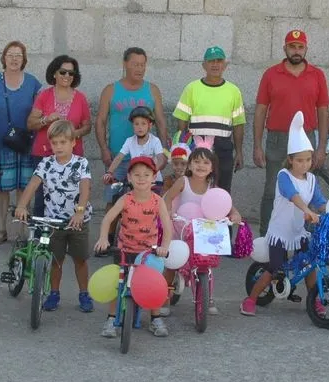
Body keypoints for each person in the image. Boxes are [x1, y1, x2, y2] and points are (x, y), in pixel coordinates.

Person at [241, 111, 326, 317]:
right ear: (290, 160)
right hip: (280, 231)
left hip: (298, 230)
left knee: (309, 264)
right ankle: (250, 299)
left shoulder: (312, 180)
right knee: (275, 267)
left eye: (308, 160)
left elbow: (320, 202)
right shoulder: (283, 176)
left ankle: (316, 301)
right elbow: (293, 196)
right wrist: (306, 210)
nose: (304, 164)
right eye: (299, 160)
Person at [254, 30, 329, 236]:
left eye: (300, 47)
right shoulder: (271, 74)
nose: (296, 51)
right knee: (272, 190)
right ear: (284, 48)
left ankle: (303, 237)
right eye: (292, 46)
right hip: (277, 139)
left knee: (305, 192)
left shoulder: (317, 75)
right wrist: (257, 145)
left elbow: (323, 112)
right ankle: (266, 237)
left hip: (306, 139)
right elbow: (261, 110)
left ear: (306, 49)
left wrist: (321, 147)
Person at [15, 120, 94, 313]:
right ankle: (54, 293)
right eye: (54, 143)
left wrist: (80, 211)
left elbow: (85, 188)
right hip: (52, 221)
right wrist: (22, 205)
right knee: (56, 260)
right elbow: (33, 184)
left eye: (62, 142)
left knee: (80, 260)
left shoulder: (81, 163)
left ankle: (84, 293)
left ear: (73, 142)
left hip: (77, 221)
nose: (58, 147)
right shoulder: (46, 163)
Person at [163, 138, 243, 316]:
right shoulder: (183, 181)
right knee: (172, 263)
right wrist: (168, 211)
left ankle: (208, 295)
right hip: (182, 227)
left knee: (205, 265)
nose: (201, 165)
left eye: (206, 162)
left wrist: (235, 214)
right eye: (196, 161)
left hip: (203, 232)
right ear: (189, 165)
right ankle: (163, 298)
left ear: (212, 167)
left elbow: (225, 203)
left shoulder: (212, 186)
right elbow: (168, 197)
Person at [94, 156, 173, 338]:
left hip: (148, 252)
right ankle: (111, 319)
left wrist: (164, 246)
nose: (141, 178)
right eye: (136, 175)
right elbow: (108, 219)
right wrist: (104, 238)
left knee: (153, 283)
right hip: (124, 249)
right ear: (129, 177)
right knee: (117, 282)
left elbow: (167, 226)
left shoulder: (157, 201)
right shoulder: (125, 199)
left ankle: (155, 318)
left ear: (154, 178)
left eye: (146, 174)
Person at [0, 41, 43, 245]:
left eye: (19, 55)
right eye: (10, 55)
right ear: (4, 58)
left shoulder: (33, 83)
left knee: (23, 187)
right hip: (0, 143)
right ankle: (1, 228)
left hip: (25, 143)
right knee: (1, 188)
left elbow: (37, 113)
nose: (14, 59)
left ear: (24, 59)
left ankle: (21, 231)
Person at [95, 47, 171, 206]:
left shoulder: (152, 90)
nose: (140, 69)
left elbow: (161, 121)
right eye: (135, 64)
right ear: (125, 64)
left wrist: (163, 151)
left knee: (145, 203)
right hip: (118, 157)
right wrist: (103, 148)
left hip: (147, 162)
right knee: (113, 201)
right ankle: (109, 232)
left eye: (143, 65)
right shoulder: (110, 90)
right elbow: (100, 121)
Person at [173, 46, 245, 193]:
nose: (215, 64)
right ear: (204, 65)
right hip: (196, 147)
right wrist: (183, 147)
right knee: (195, 189)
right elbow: (182, 121)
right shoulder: (191, 88)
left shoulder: (234, 91)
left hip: (223, 148)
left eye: (219, 61)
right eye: (211, 61)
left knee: (222, 190)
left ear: (225, 65)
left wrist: (239, 152)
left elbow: (238, 124)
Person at [27, 55, 92, 215]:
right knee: (41, 197)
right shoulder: (44, 95)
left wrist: (73, 135)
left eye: (71, 73)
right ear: (54, 73)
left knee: (72, 196)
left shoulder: (81, 98)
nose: (67, 76)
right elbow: (30, 123)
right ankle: (40, 237)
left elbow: (87, 125)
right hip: (44, 153)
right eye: (63, 72)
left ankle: (69, 233)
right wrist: (45, 120)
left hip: (72, 156)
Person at [102, 106, 167, 191]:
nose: (140, 127)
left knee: (156, 201)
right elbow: (119, 157)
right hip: (136, 182)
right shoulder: (129, 141)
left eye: (143, 123)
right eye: (136, 124)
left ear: (150, 125)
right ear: (132, 125)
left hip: (153, 182)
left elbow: (161, 159)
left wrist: (152, 172)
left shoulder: (155, 141)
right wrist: (109, 172)